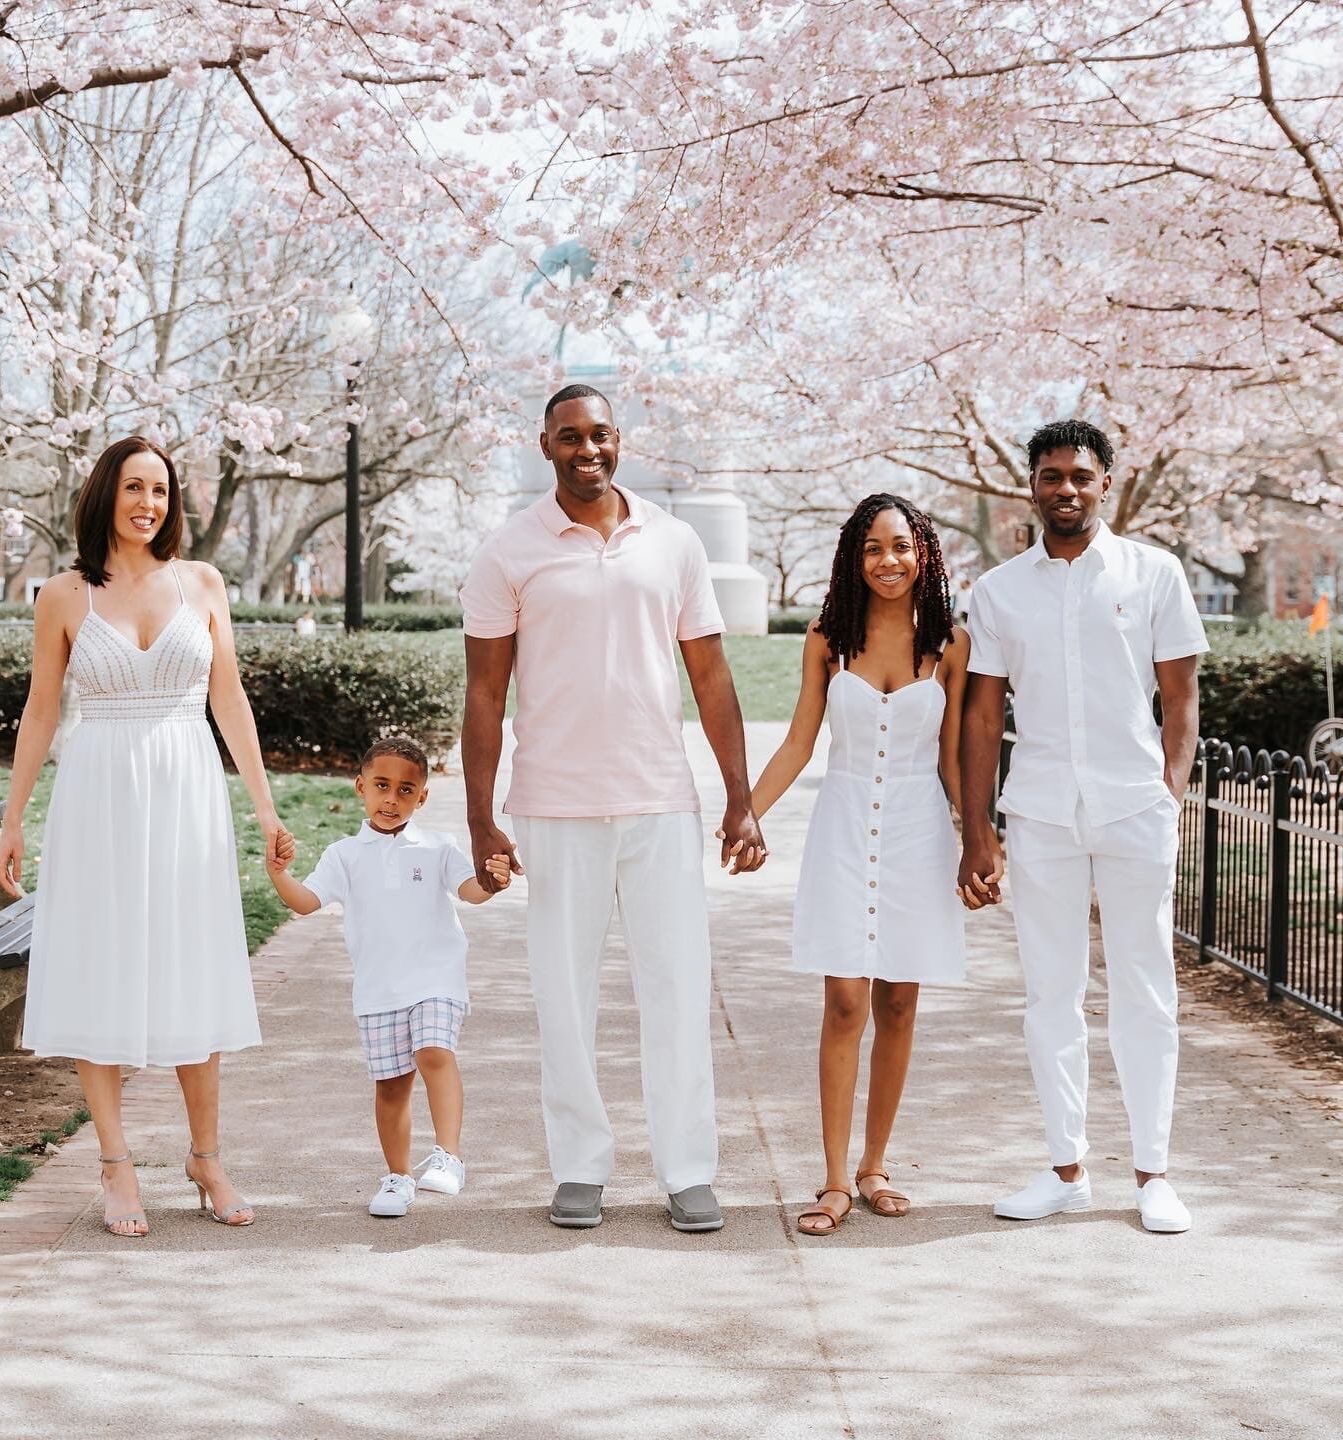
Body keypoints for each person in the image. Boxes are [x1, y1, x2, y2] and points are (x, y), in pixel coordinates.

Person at [459, 383, 766, 1234]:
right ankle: (581, 1167)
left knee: (675, 989)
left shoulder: (672, 541)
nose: (586, 450)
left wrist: (739, 798)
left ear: (618, 440)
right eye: (569, 438)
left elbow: (711, 677)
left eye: (599, 436)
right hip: (554, 806)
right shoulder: (508, 551)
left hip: (659, 800)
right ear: (545, 445)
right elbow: (484, 697)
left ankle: (688, 1169)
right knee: (565, 997)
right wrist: (483, 818)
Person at [0, 436, 289, 1237]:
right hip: (100, 795)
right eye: (133, 488)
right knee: (100, 963)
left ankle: (206, 1156)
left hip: (188, 787)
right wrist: (14, 819)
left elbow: (229, 702)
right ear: (106, 495)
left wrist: (264, 809)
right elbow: (42, 712)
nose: (147, 503)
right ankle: (116, 1165)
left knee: (192, 959)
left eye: (159, 490)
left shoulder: (203, 583)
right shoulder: (64, 594)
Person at [957, 418, 1207, 1234]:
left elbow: (1181, 700)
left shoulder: (1154, 572)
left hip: (1135, 809)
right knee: (1050, 993)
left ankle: (1152, 1174)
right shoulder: (998, 592)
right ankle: (1066, 1168)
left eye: (1081, 476)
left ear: (1106, 482)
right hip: (1039, 812)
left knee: (1145, 988)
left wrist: (1169, 793)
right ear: (1030, 484)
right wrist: (978, 829)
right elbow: (982, 716)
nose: (1066, 488)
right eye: (1051, 475)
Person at [749, 495, 970, 1234]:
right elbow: (798, 743)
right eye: (873, 548)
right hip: (843, 828)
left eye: (902, 547)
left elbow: (954, 760)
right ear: (853, 556)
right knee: (844, 1000)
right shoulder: (826, 639)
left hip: (917, 831)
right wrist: (745, 813)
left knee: (899, 1003)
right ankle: (837, 1178)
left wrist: (979, 841)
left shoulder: (950, 644)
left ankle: (877, 1166)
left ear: (924, 554)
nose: (889, 561)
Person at [265, 736, 513, 1217]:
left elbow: (471, 891)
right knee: (392, 1084)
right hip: (378, 989)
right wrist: (278, 874)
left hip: (436, 977)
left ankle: (448, 1156)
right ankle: (398, 1179)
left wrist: (494, 879)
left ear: (422, 797)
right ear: (361, 787)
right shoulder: (343, 855)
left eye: (406, 790)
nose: (392, 799)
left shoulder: (439, 847)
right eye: (382, 786)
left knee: (434, 1052)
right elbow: (306, 902)